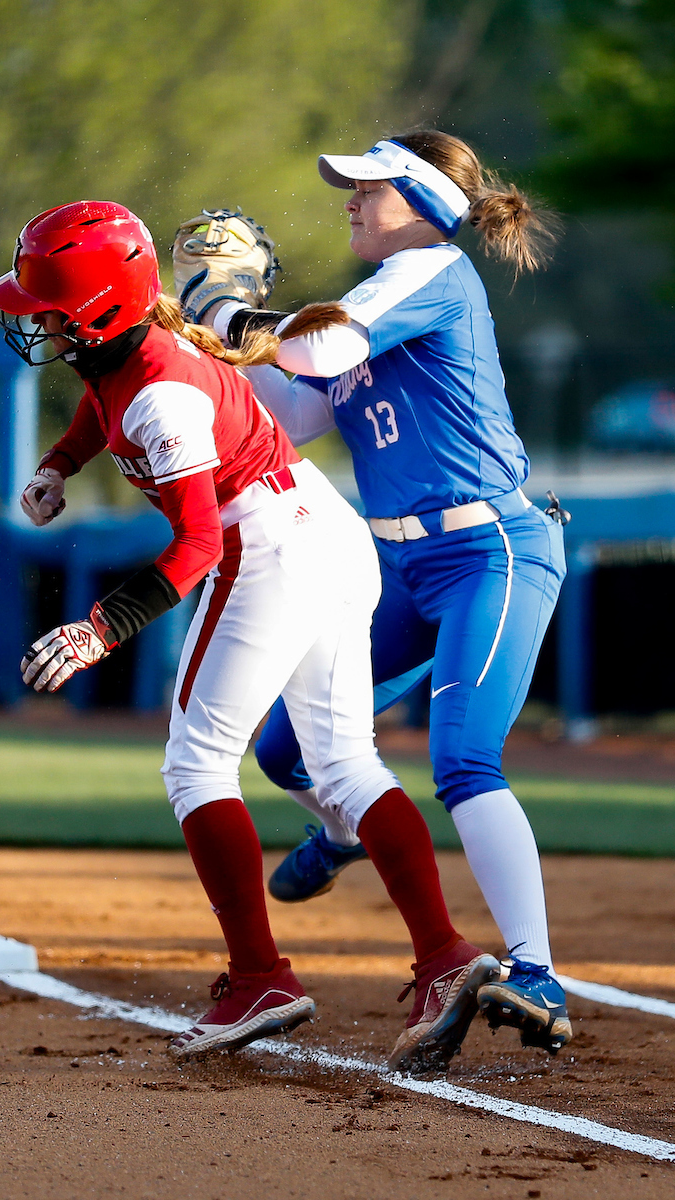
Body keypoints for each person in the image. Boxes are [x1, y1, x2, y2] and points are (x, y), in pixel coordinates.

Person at [0, 200, 500, 1073]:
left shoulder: (162, 397)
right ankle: (445, 957)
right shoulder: (131, 346)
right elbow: (103, 406)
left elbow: (195, 546)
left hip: (261, 545)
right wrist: (58, 463)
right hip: (323, 531)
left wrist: (99, 630)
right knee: (346, 765)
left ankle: (260, 977)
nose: (38, 324)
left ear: (98, 311)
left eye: (51, 311)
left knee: (195, 765)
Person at [182, 131, 572, 1057]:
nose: (351, 200)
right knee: (285, 751)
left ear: (425, 206)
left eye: (371, 188)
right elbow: (289, 412)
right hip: (398, 564)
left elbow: (322, 347)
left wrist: (231, 311)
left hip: (490, 549)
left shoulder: (431, 269)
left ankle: (537, 971)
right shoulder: (375, 306)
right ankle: (346, 834)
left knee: (463, 759)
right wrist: (198, 345)